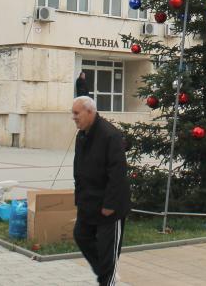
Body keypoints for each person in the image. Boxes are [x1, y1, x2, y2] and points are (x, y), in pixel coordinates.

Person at [72, 95, 130, 286]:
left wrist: (110, 204)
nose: (74, 117)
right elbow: (78, 168)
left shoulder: (109, 135)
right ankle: (108, 272)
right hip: (88, 203)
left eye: (76, 113)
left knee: (107, 251)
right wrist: (79, 198)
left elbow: (118, 173)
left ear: (90, 112)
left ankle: (109, 279)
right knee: (81, 235)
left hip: (109, 208)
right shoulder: (82, 135)